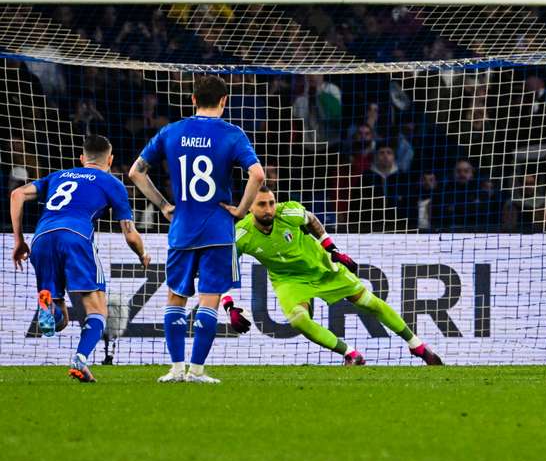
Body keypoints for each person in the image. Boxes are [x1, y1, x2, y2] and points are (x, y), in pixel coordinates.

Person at [129, 75, 265, 383]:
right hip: (218, 230)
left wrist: (164, 205)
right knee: (209, 299)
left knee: (175, 298)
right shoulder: (232, 134)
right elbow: (257, 175)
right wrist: (242, 210)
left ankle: (176, 369)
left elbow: (135, 172)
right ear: (223, 101)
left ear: (192, 100)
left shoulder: (172, 131)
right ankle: (197, 371)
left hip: (182, 228)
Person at [231, 187, 443, 366]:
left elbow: (312, 220)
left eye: (271, 203)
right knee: (299, 320)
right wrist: (228, 305)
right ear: (249, 206)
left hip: (322, 268)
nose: (269, 209)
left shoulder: (288, 212)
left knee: (370, 302)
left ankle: (417, 345)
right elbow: (221, 268)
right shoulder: (241, 235)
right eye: (262, 205)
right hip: (288, 280)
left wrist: (332, 248)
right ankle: (350, 354)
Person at [10, 134, 151, 383]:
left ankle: (49, 307)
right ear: (110, 159)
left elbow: (17, 195)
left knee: (61, 320)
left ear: (81, 158)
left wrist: (19, 240)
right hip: (75, 237)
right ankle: (80, 360)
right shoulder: (111, 183)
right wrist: (143, 254)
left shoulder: (58, 175)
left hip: (42, 238)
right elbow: (130, 233)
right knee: (97, 310)